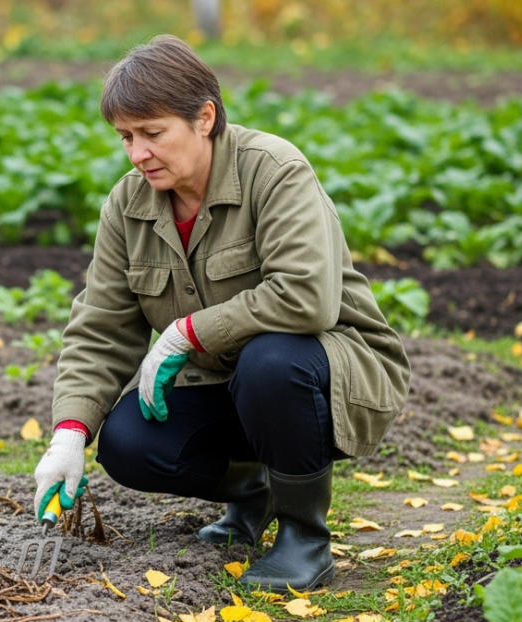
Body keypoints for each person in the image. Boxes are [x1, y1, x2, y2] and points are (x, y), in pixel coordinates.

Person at [32, 36, 410, 592]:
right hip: (225, 384)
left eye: (153, 134)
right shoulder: (128, 204)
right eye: (126, 137)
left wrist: (188, 331)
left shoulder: (274, 171)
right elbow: (101, 327)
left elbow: (306, 296)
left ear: (204, 118)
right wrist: (68, 433)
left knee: (271, 361)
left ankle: (305, 537)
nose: (138, 153)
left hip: (328, 372)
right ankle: (251, 493)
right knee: (127, 442)